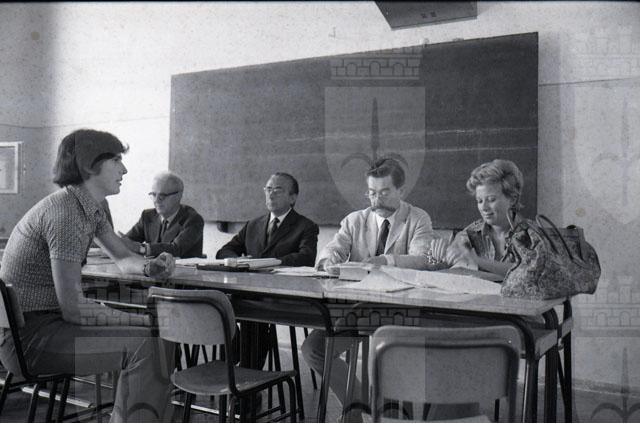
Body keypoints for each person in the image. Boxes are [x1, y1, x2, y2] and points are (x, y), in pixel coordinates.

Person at [0, 129, 176, 423]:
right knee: (150, 344)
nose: (124, 169)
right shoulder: (66, 214)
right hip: (30, 339)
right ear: (89, 165)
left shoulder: (88, 207)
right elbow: (74, 309)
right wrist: (144, 319)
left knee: (161, 340)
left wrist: (150, 267)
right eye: (116, 160)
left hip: (47, 326)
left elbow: (123, 257)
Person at [303, 158, 438, 418]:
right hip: (357, 310)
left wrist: (385, 260)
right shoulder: (355, 220)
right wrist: (328, 260)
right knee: (314, 349)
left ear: (401, 190)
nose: (377, 200)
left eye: (385, 192)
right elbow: (333, 248)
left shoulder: (418, 218)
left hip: (399, 313)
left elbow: (423, 259)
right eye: (372, 193)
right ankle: (357, 404)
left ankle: (389, 417)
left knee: (388, 361)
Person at [431, 159, 526, 276]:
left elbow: (525, 271)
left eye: (491, 200)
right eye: (479, 201)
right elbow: (442, 263)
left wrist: (478, 261)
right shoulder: (472, 232)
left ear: (512, 199)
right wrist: (438, 256)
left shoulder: (532, 236)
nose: (484, 208)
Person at [216, 172, 318, 267]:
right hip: (251, 279)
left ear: (292, 198)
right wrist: (237, 260)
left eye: (277, 191)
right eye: (268, 190)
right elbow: (224, 251)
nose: (271, 195)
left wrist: (269, 263)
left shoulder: (306, 226)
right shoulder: (252, 225)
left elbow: (307, 258)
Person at [119, 171, 204, 258]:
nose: (156, 200)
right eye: (153, 195)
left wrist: (142, 248)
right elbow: (128, 242)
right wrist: (119, 242)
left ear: (178, 196)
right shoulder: (147, 216)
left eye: (162, 196)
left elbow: (176, 249)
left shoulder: (193, 220)